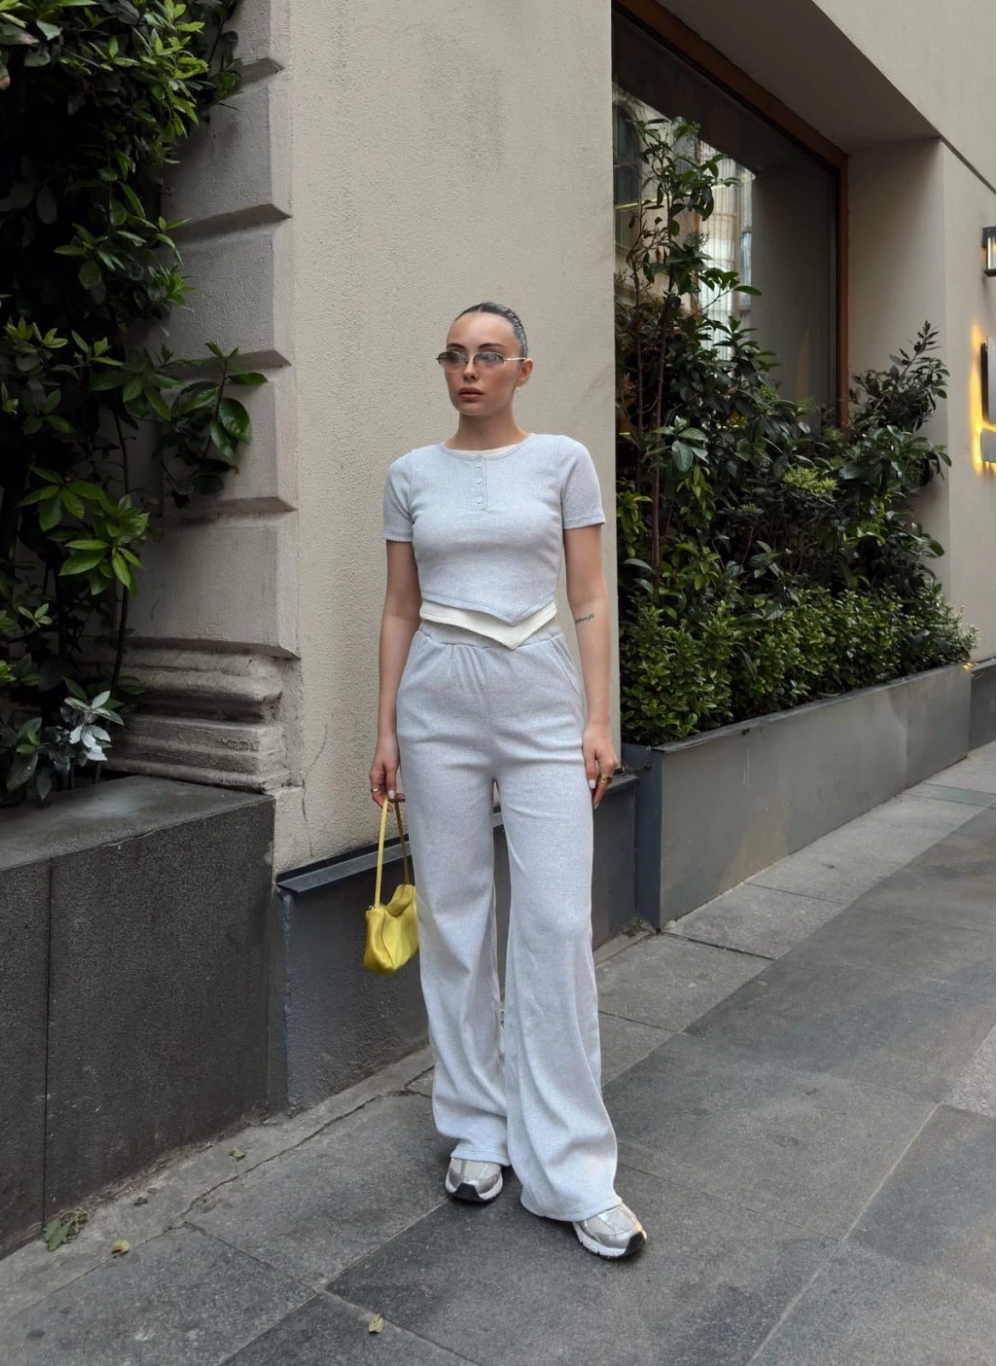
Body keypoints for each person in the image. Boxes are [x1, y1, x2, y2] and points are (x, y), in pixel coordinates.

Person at [370, 301, 646, 1260]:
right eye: (456, 355)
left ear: (523, 369)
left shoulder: (564, 462)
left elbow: (590, 598)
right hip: (436, 707)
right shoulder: (411, 475)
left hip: (541, 704)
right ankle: (478, 1128)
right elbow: (399, 609)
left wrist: (599, 720)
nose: (469, 370)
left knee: (556, 924)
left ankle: (571, 1168)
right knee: (455, 918)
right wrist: (385, 730)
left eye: (489, 356)